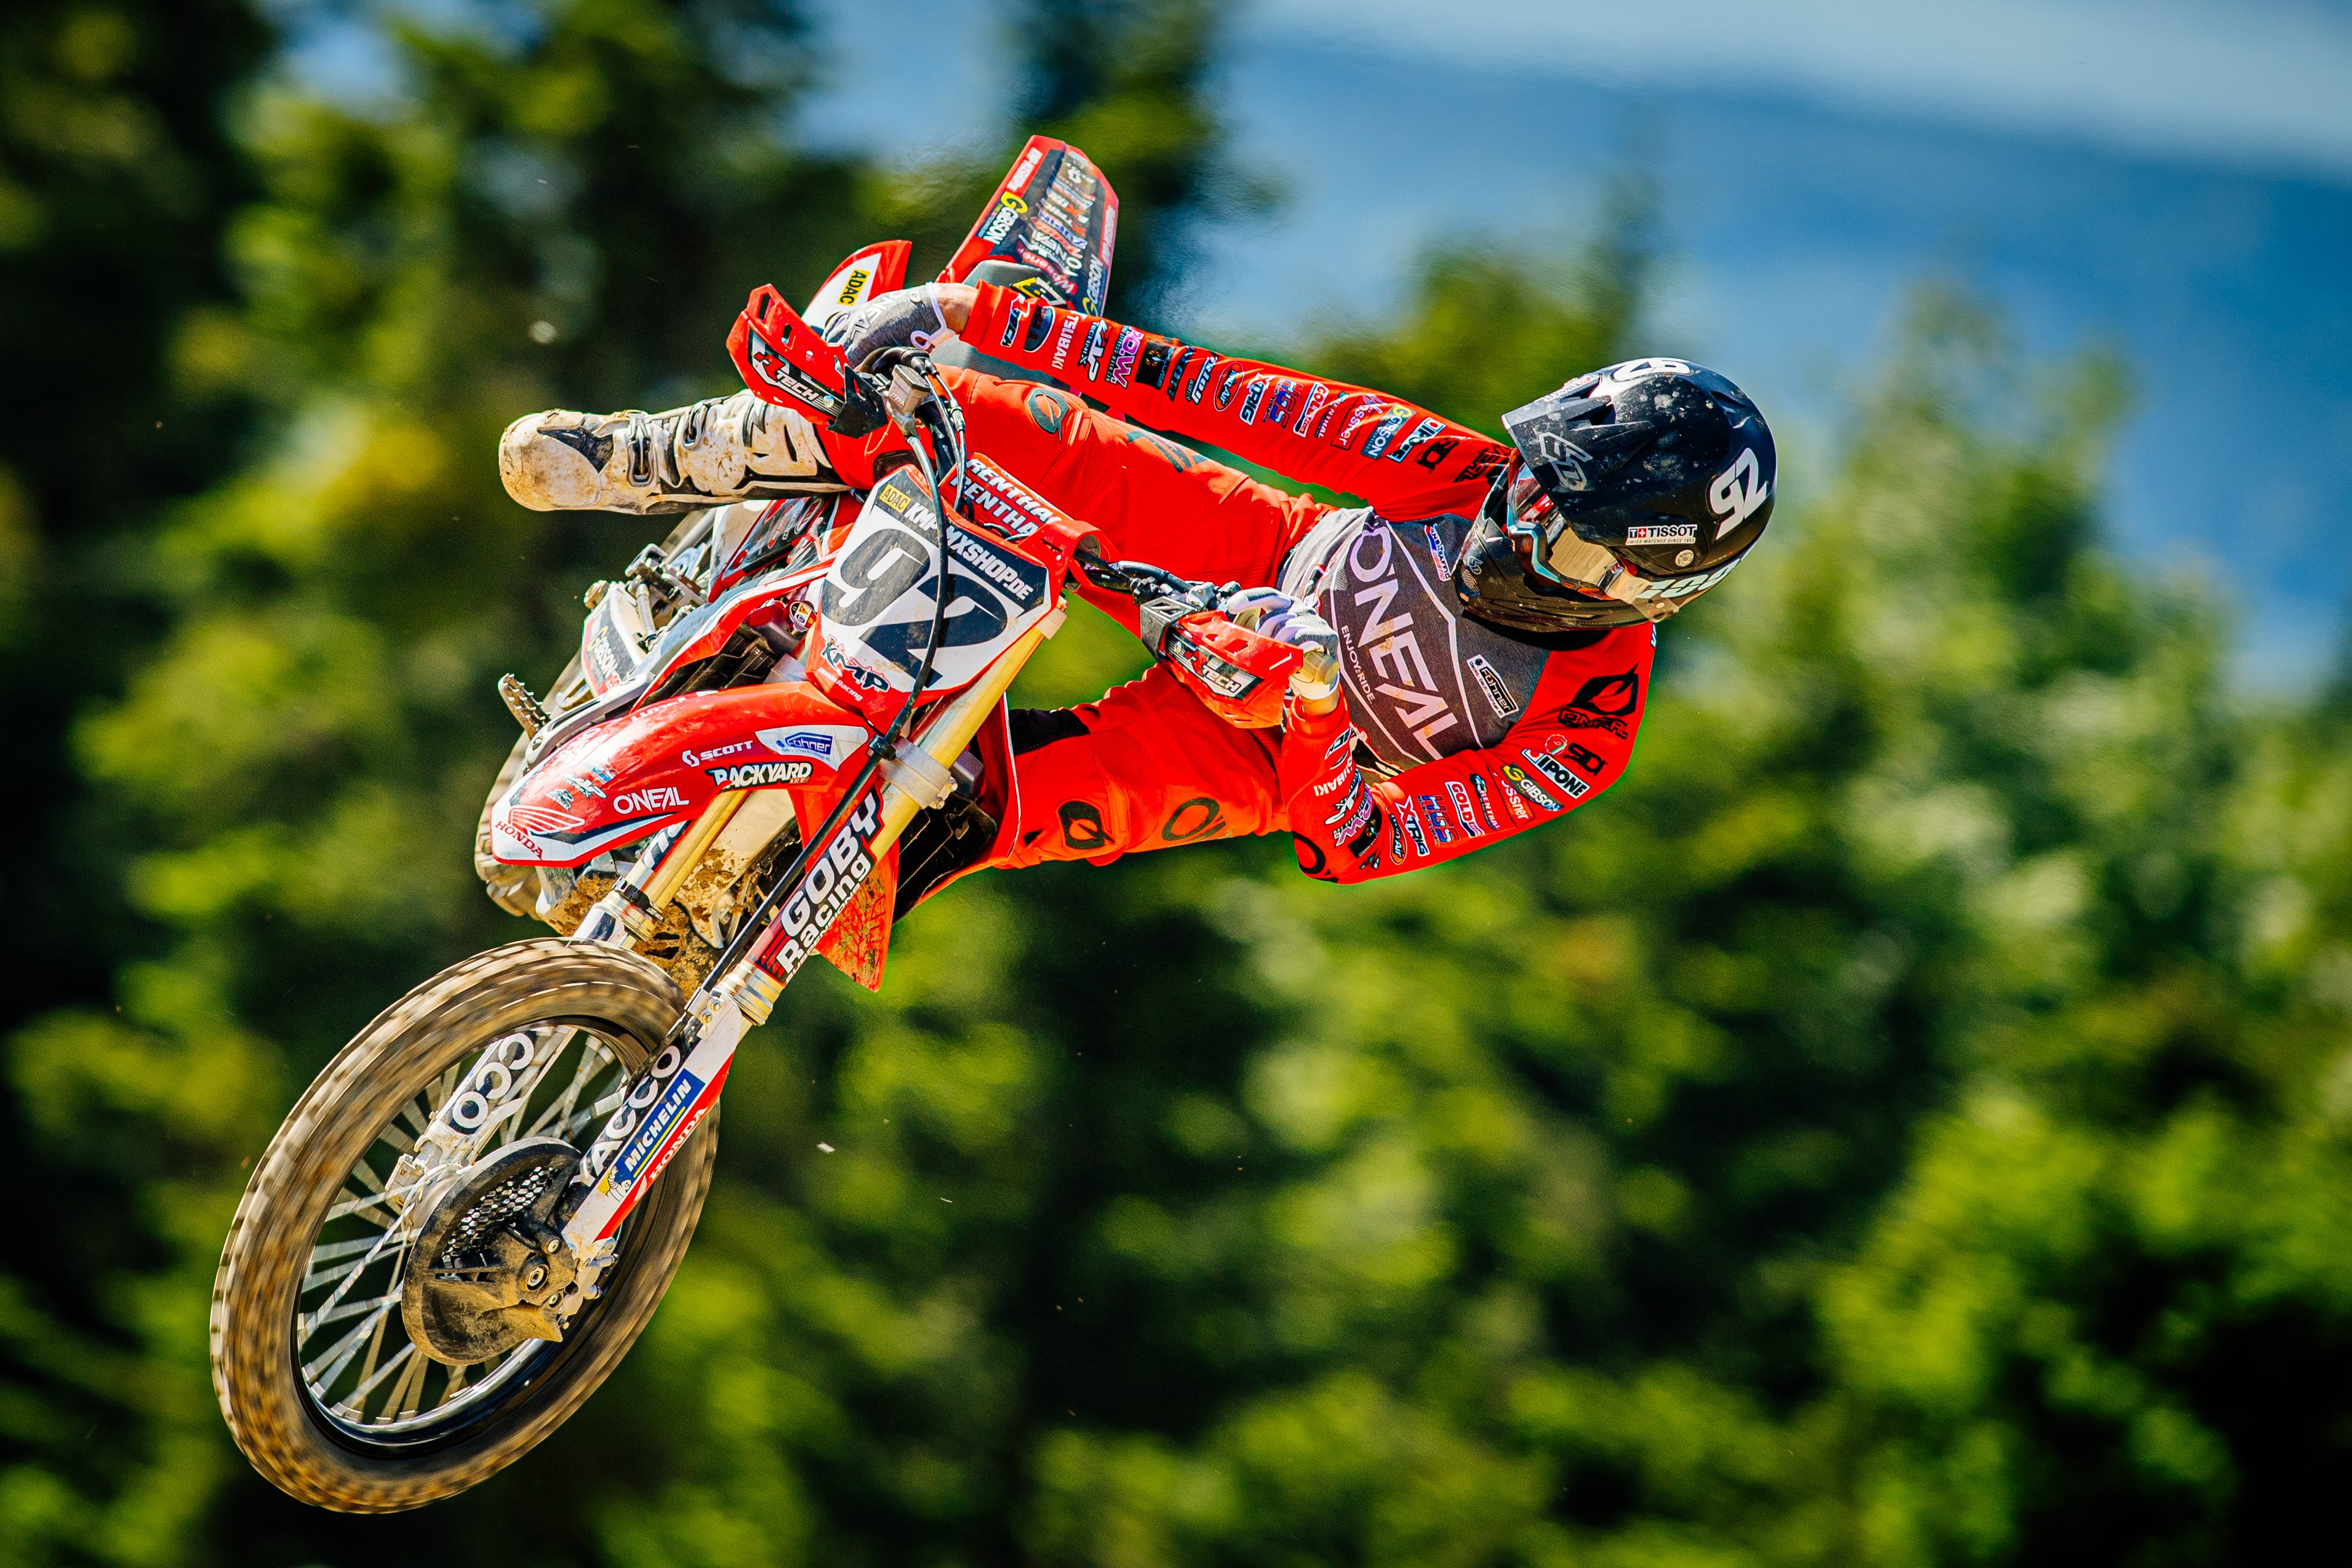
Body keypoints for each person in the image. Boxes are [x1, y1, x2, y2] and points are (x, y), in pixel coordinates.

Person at [498, 281, 1776, 888]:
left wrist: (1313, 708)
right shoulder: (1449, 468)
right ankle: (660, 454)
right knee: (976, 414)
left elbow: (1360, 844)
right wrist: (976, 319)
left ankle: (710, 911)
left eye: (1561, 540)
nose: (1510, 524)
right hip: (1252, 553)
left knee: (938, 822)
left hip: (1259, 753)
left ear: (1643, 591)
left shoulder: (1588, 729)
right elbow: (1210, 393)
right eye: (1534, 482)